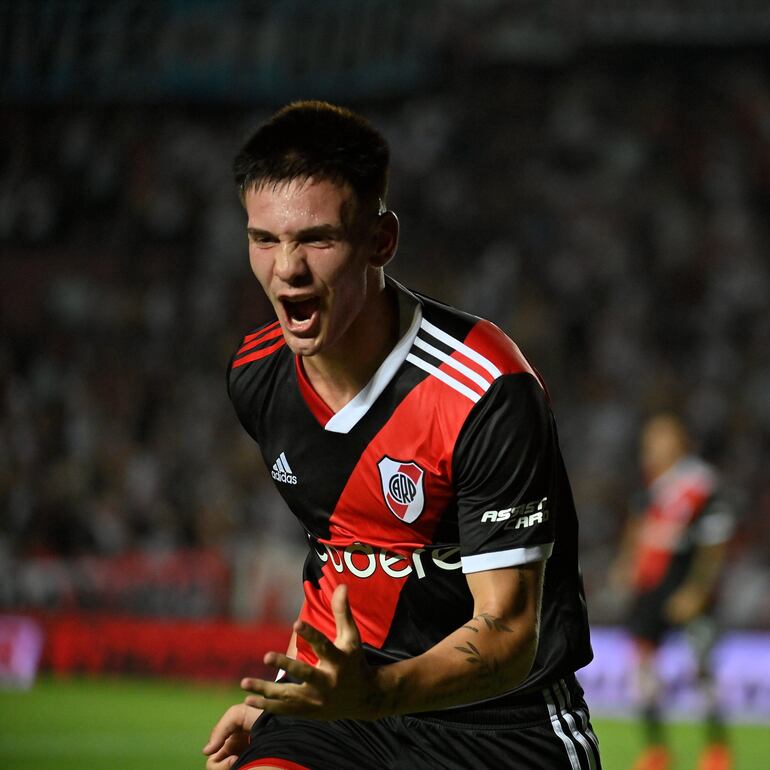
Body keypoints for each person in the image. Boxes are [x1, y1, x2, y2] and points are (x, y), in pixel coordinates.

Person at [203, 100, 600, 770]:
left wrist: (370, 693)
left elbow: (507, 634)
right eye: (264, 239)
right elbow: (341, 552)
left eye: (317, 239)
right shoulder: (255, 376)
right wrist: (300, 691)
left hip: (501, 727)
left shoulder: (484, 390)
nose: (286, 270)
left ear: (381, 240)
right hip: (345, 719)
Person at [612, 414, 735, 770]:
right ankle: (656, 752)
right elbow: (637, 527)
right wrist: (626, 565)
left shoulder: (700, 484)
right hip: (651, 590)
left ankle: (716, 751)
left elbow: (715, 543)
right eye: (649, 439)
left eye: (659, 438)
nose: (649, 446)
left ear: (679, 441)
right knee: (644, 670)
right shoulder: (652, 484)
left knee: (702, 668)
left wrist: (697, 590)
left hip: (685, 585)